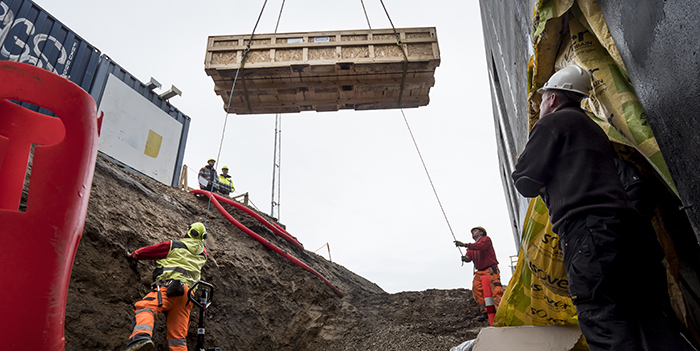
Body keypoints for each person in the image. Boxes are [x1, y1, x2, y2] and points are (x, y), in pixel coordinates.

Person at [511, 65, 691, 350]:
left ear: (554, 99)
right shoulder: (594, 131)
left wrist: (543, 179)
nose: (541, 104)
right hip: (634, 235)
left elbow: (525, 182)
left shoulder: (551, 124)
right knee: (651, 321)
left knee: (605, 322)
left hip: (590, 235)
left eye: (543, 98)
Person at [124, 223, 209, 351]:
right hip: (188, 296)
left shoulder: (174, 245)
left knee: (145, 307)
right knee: (177, 337)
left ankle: (140, 338)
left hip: (170, 288)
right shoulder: (203, 255)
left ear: (188, 233)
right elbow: (199, 248)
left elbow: (150, 251)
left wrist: (135, 254)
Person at [454, 226, 504, 321]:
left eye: (475, 231)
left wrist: (465, 245)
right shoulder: (472, 247)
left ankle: (500, 310)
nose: (472, 233)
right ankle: (485, 311)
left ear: (481, 233)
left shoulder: (486, 240)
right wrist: (466, 258)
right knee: (477, 289)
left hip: (490, 270)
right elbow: (469, 257)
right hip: (480, 272)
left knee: (495, 290)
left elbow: (480, 246)